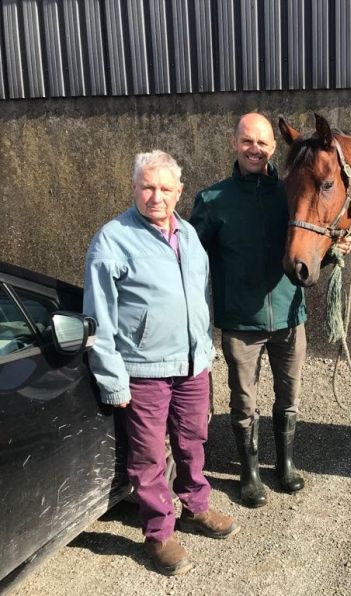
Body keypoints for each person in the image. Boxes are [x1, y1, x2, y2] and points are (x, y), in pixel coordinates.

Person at [84, 150, 238, 576]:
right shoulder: (113, 239)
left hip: (191, 365)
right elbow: (98, 316)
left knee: (193, 440)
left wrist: (203, 352)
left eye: (165, 188)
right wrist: (112, 379)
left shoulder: (189, 235)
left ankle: (196, 506)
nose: (156, 196)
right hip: (143, 370)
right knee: (149, 456)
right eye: (147, 187)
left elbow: (199, 300)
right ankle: (158, 535)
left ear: (179, 191)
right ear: (134, 187)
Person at [190, 112, 351, 508]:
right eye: (247, 141)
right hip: (241, 322)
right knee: (243, 401)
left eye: (262, 143)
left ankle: (286, 463)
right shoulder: (213, 201)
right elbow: (193, 262)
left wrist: (332, 254)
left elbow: (305, 248)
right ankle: (248, 472)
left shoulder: (290, 192)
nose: (255, 149)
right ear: (234, 143)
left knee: (289, 395)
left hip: (289, 315)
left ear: (274, 148)